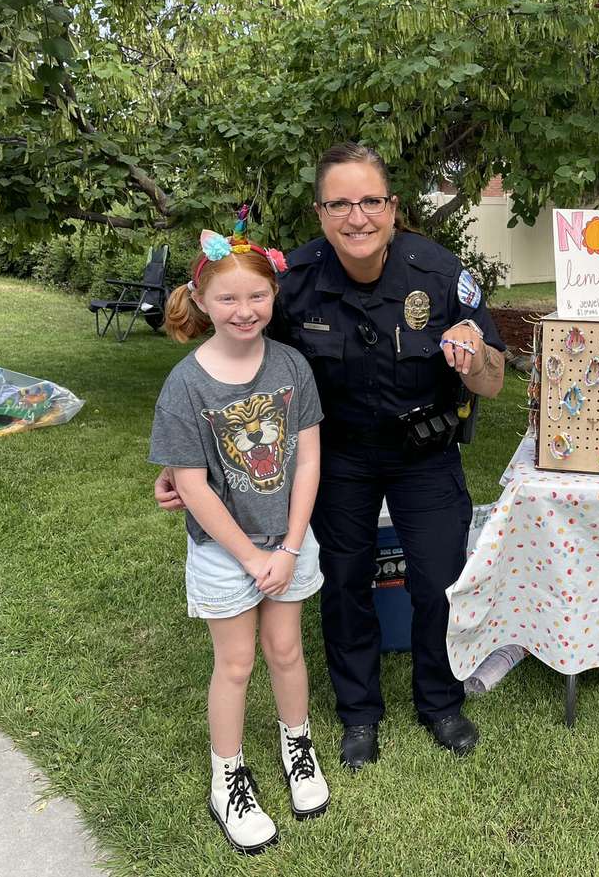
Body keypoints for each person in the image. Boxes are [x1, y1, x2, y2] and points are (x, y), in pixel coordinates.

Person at [158, 143, 505, 770]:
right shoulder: (295, 283)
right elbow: (248, 367)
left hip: (423, 452)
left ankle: (440, 701)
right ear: (321, 213)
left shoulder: (438, 272)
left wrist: (473, 354)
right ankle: (359, 712)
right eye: (340, 203)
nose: (357, 217)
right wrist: (189, 460)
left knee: (437, 577)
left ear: (393, 207)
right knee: (346, 583)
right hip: (335, 456)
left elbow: (494, 381)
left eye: (371, 200)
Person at [150, 223, 330, 855]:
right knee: (236, 663)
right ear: (201, 301)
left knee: (286, 650)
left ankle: (296, 745)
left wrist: (288, 547)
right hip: (226, 553)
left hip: (290, 542)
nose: (244, 310)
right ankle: (227, 777)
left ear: (274, 296)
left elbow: (307, 460)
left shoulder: (291, 366)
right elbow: (191, 485)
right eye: (227, 299)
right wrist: (254, 556)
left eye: (256, 296)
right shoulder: (185, 385)